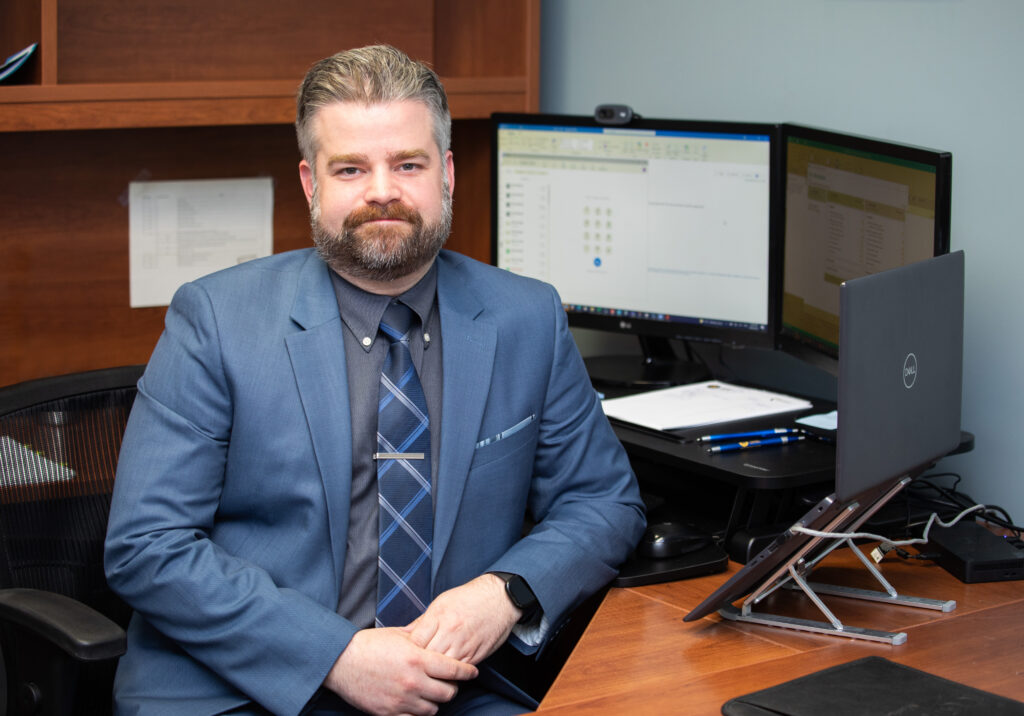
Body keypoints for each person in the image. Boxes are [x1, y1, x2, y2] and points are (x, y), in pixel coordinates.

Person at [104, 44, 645, 716]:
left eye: (408, 164)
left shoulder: (526, 317)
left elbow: (604, 503)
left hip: (455, 689)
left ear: (446, 173)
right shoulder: (217, 319)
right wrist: (334, 654)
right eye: (351, 168)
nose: (382, 190)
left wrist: (504, 592)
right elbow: (146, 546)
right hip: (246, 687)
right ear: (311, 184)